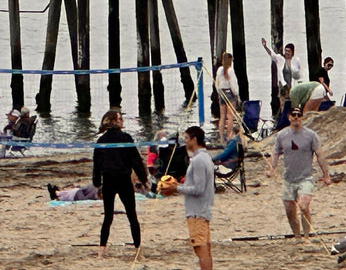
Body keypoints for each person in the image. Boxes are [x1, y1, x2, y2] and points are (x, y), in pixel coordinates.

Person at [267, 106, 332, 237]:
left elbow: (319, 155)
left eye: (298, 115)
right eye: (293, 115)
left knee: (303, 206)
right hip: (288, 179)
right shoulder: (281, 135)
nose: (296, 117)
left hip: (306, 177)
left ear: (302, 117)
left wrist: (326, 175)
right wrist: (271, 169)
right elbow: (275, 153)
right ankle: (297, 236)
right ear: (289, 117)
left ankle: (306, 235)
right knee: (289, 210)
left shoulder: (311, 135)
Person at [92, 109, 147, 260]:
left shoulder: (101, 141)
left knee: (108, 217)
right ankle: (138, 250)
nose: (122, 121)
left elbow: (97, 165)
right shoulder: (125, 138)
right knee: (132, 215)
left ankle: (101, 251)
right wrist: (144, 179)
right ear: (114, 122)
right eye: (120, 119)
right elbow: (136, 161)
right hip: (122, 180)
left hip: (109, 181)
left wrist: (97, 183)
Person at [160, 125, 214, 270]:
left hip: (197, 211)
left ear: (194, 140)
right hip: (202, 209)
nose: (184, 141)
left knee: (201, 250)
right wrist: (178, 185)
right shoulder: (205, 157)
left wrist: (175, 188)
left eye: (186, 138)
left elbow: (198, 188)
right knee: (205, 249)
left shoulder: (198, 160)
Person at [262, 38, 302, 113]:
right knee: (283, 103)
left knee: (294, 104)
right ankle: (283, 114)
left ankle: (293, 115)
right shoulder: (280, 59)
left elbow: (298, 76)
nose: (287, 53)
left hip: (293, 86)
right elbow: (272, 54)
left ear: (292, 52)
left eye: (289, 51)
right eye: (286, 51)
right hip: (283, 86)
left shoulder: (295, 61)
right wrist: (265, 46)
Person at [215, 52, 240, 142]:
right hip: (230, 93)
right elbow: (233, 85)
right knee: (230, 117)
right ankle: (229, 136)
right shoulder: (230, 71)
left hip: (222, 93)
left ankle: (221, 137)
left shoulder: (219, 70)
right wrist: (237, 95)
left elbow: (217, 83)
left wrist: (219, 92)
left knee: (222, 117)